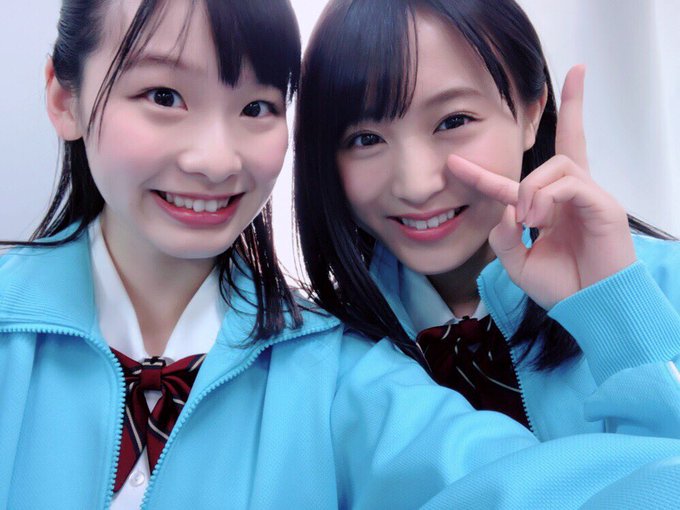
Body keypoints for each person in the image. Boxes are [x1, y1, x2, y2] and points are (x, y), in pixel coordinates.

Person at [3, 1, 680, 509]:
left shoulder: (346, 375)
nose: (214, 160)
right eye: (163, 96)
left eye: (257, 107)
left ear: (533, 111)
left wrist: (618, 312)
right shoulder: (358, 338)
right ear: (64, 96)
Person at [294, 0, 680, 442]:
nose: (416, 185)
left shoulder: (668, 286)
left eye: (453, 121)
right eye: (366, 139)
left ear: (531, 113)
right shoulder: (321, 366)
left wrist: (617, 317)